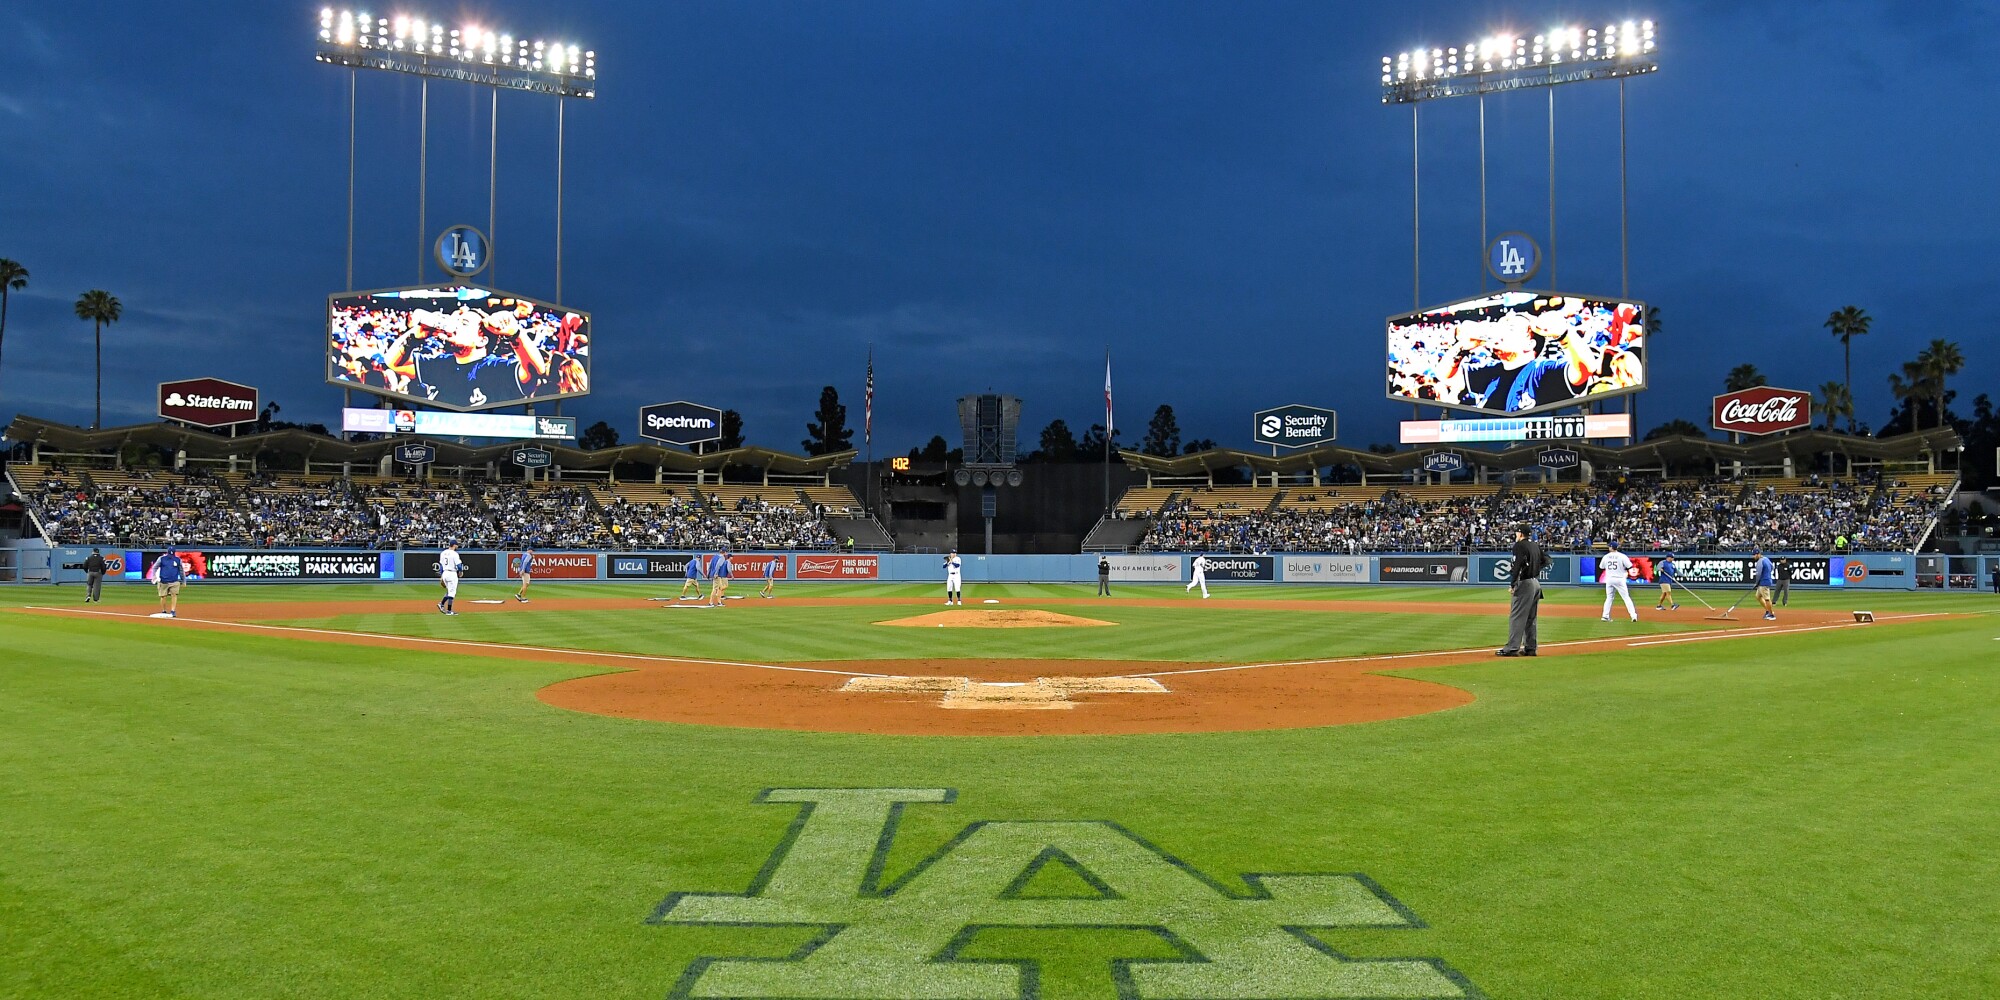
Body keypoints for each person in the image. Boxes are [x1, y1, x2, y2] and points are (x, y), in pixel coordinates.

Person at [1496, 525, 1544, 657]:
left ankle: (1512, 648)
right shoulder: (1534, 545)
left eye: (1517, 532)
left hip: (1524, 583)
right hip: (1536, 583)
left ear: (1521, 534)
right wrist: (1533, 569)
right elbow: (1546, 560)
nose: (1516, 534)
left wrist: (1513, 584)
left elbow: (1517, 565)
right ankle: (1530, 648)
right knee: (1530, 618)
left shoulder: (1519, 546)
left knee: (1517, 616)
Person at [1599, 540, 1639, 623]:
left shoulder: (1606, 556)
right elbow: (1630, 566)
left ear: (1611, 547)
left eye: (1609, 546)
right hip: (1619, 578)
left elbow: (1601, 567)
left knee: (1609, 598)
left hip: (1609, 579)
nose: (1608, 547)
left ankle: (1605, 616)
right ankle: (1633, 616)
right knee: (1626, 598)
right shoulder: (1622, 556)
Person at [150, 548, 186, 619]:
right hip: (163, 581)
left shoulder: (178, 560)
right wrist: (154, 576)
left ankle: (173, 610)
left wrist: (183, 581)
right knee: (163, 596)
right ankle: (164, 610)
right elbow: (155, 567)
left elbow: (181, 571)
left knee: (174, 595)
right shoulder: (161, 559)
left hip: (174, 581)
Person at [437, 543, 464, 616]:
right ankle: (449, 610)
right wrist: (461, 572)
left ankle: (441, 604)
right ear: (454, 545)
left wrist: (442, 575)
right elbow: (459, 565)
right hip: (452, 573)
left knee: (449, 591)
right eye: (457, 545)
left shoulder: (443, 553)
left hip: (445, 573)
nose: (457, 546)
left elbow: (441, 566)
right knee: (452, 593)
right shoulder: (454, 554)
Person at [1752, 547, 1777, 621]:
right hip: (1766, 580)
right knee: (1758, 596)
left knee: (1767, 599)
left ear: (1758, 554)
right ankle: (1767, 611)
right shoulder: (1766, 559)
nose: (1753, 556)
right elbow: (1772, 567)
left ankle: (1771, 614)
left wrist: (1756, 583)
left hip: (1764, 582)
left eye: (1754, 555)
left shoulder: (1760, 562)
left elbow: (1758, 574)